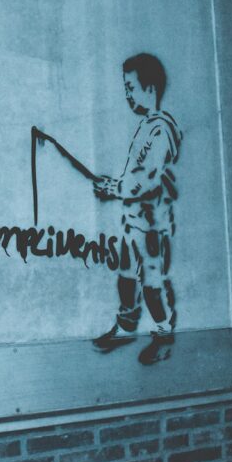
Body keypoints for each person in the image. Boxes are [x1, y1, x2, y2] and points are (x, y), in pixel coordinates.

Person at [92, 53, 182, 364]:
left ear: (150, 88)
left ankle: (163, 336)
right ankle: (126, 326)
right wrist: (115, 185)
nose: (127, 94)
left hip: (152, 226)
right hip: (134, 222)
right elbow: (134, 176)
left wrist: (114, 188)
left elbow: (146, 179)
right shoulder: (146, 127)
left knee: (152, 284)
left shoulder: (161, 131)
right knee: (126, 276)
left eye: (131, 87)